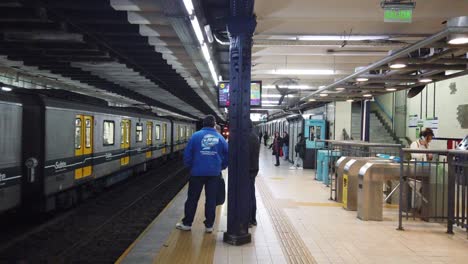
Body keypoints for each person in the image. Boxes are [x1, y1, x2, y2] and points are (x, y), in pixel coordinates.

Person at [176, 115, 228, 233]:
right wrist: (222, 166)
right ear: (214, 124)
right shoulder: (220, 137)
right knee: (211, 200)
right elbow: (227, 154)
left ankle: (187, 224)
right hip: (214, 174)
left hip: (197, 173)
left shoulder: (195, 136)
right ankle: (209, 226)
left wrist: (190, 166)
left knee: (192, 199)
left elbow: (187, 154)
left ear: (203, 124)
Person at [248, 120, 260, 227]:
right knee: (251, 194)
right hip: (254, 168)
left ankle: (248, 219)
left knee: (246, 195)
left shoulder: (245, 137)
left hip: (246, 170)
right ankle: (253, 219)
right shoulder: (255, 137)